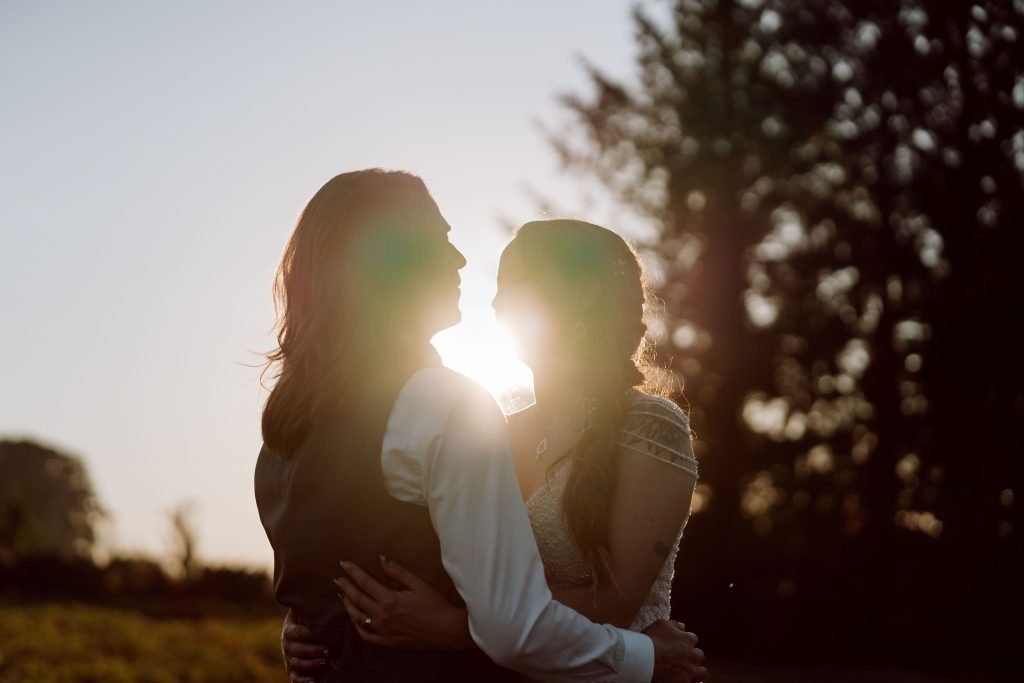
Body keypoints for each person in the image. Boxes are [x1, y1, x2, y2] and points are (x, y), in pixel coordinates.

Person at [256, 171, 707, 683]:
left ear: (581, 296)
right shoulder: (482, 427)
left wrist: (453, 628)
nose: (492, 301)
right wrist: (321, 621)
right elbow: (379, 541)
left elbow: (608, 604)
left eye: (514, 282)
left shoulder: (645, 427)